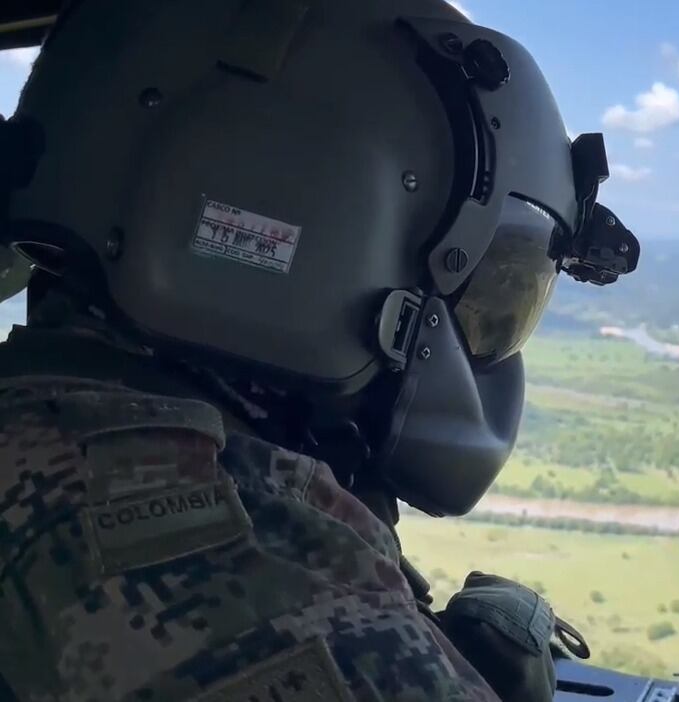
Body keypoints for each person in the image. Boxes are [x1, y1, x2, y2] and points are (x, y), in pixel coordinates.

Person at [0, 1, 637, 700]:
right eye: (484, 296)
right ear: (334, 211)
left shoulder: (41, 422)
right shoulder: (224, 547)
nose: (483, 344)